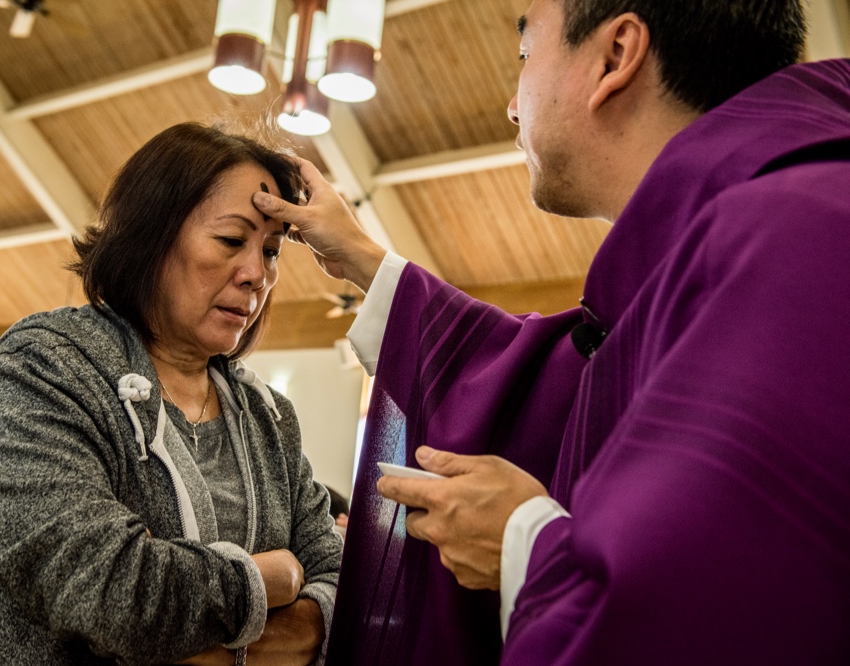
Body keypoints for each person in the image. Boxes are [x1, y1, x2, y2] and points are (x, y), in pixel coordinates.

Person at [250, 1, 850, 663]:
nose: (512, 105)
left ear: (616, 56)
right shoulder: (752, 231)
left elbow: (723, 613)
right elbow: (565, 379)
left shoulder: (799, 238)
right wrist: (365, 260)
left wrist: (522, 539)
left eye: (525, 55)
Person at [0, 123, 343, 666]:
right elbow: (105, 588)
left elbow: (339, 581)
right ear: (149, 237)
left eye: (270, 252)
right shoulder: (47, 365)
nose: (255, 275)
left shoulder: (268, 416)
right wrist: (276, 577)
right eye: (229, 240)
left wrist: (235, 652)